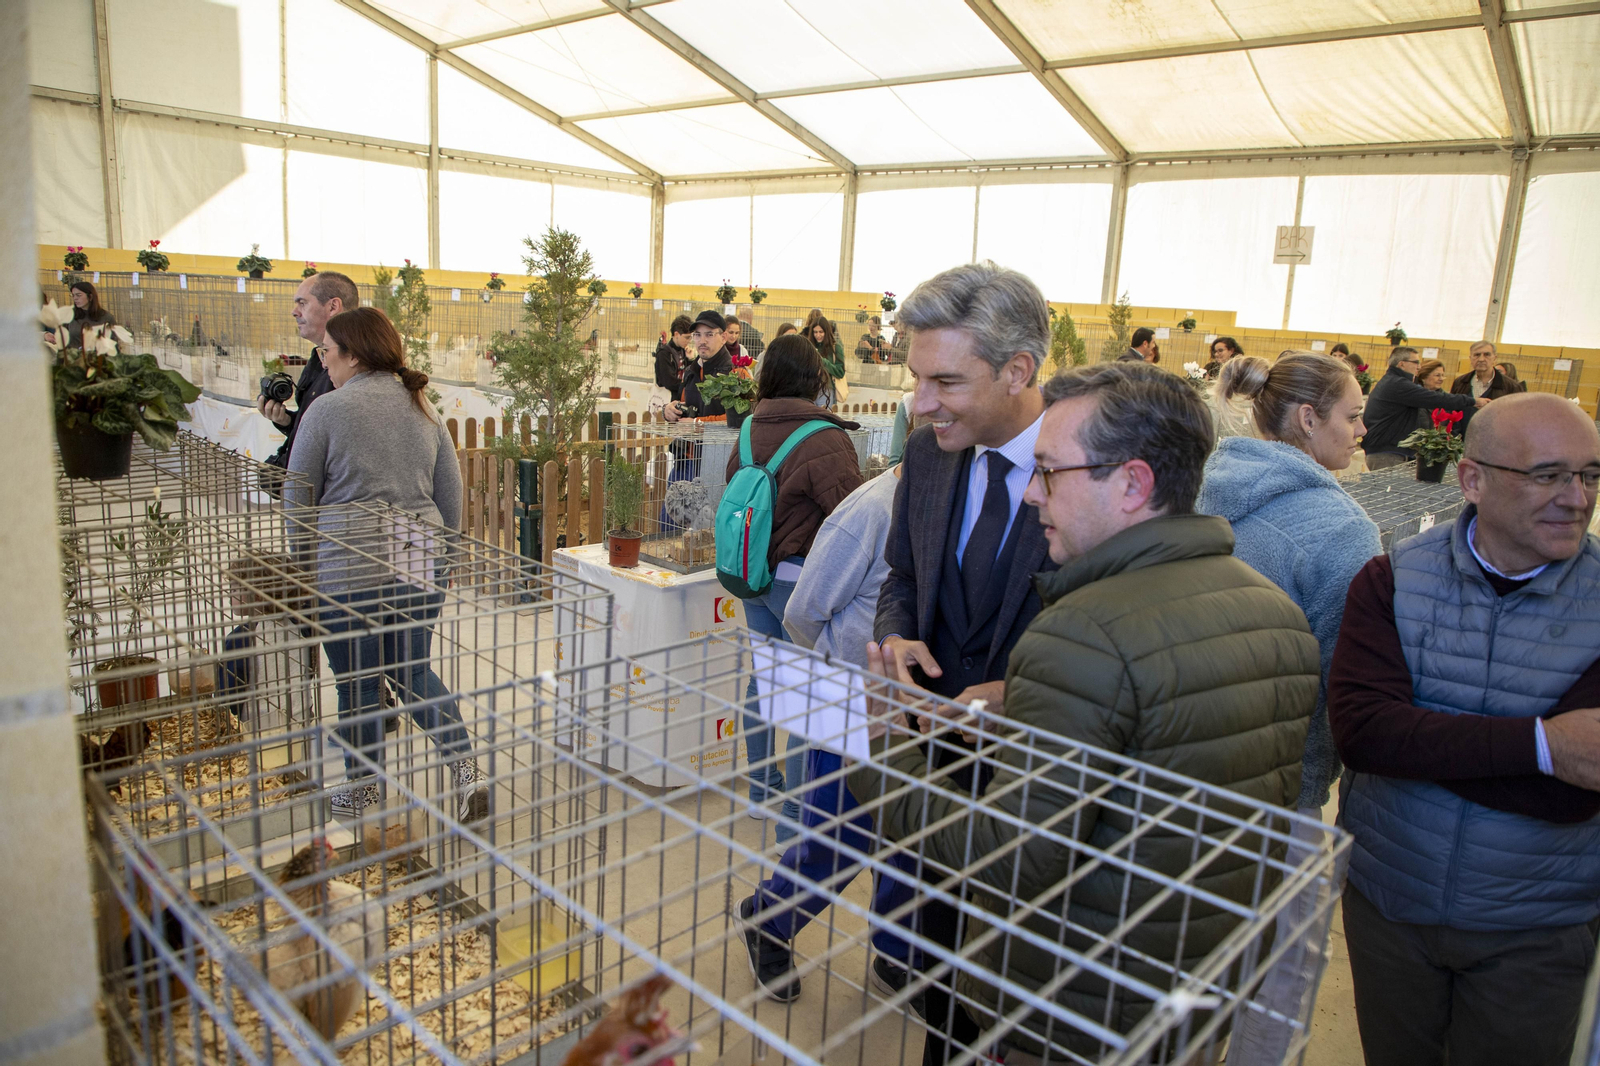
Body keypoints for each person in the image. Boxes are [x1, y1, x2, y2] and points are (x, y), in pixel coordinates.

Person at [851, 361, 1320, 1066]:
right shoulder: (1274, 611)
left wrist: (884, 740)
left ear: (1133, 483)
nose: (1034, 496)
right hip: (1198, 991)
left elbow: (1006, 862)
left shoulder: (1081, 634)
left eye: (1050, 473)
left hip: (1074, 1009)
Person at [1328, 391, 1600, 1066]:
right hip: (1393, 910)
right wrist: (1541, 745)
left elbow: (1575, 792)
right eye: (1549, 475)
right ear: (1471, 479)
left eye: (1591, 475)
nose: (1577, 497)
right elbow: (1365, 736)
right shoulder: (1391, 580)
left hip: (1536, 927)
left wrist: (1420, 745)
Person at [1195, 351, 1381, 1066]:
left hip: (1176, 770)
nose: (1362, 430)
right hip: (1283, 796)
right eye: (1354, 415)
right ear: (1310, 419)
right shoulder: (1340, 530)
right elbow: (1345, 687)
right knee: (1278, 986)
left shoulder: (1200, 483)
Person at [284, 307, 486, 823]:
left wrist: (303, 568)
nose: (324, 364)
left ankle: (363, 789)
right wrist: (450, 554)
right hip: (417, 549)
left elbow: (297, 500)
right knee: (411, 670)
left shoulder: (326, 412)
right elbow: (450, 493)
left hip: (347, 561)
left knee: (357, 681)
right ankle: (467, 771)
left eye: (328, 353)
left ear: (353, 354)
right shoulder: (422, 407)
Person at [736, 463, 921, 1003]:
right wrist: (838, 673)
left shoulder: (940, 509)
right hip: (846, 700)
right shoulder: (869, 510)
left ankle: (896, 950)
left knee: (909, 845)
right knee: (836, 840)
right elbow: (802, 612)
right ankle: (768, 918)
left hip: (915, 707)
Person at [725, 334, 863, 840]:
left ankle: (762, 792)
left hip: (750, 574)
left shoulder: (748, 430)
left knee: (765, 678)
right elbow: (849, 511)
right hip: (799, 581)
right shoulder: (823, 437)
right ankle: (796, 828)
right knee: (810, 696)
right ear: (814, 379)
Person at [259, 271, 358, 473]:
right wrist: (286, 421)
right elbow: (317, 433)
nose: (294, 312)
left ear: (333, 307)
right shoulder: (316, 360)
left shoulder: (352, 368)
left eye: (302, 303)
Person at [1361, 346, 1481, 469]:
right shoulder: (1398, 384)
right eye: (1416, 362)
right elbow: (1436, 399)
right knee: (1390, 488)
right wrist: (1473, 401)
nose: (1419, 366)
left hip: (1389, 451)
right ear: (1402, 364)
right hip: (1387, 453)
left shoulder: (1393, 382)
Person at [664, 310, 734, 422]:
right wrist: (669, 410)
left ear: (723, 337)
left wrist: (699, 425)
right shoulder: (691, 372)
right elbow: (681, 406)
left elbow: (740, 419)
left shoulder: (735, 373)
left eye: (709, 334)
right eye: (697, 335)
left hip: (719, 440)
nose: (702, 341)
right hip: (687, 439)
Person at [1452, 340, 1522, 401]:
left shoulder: (1511, 387)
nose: (1481, 359)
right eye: (1477, 355)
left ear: (1494, 358)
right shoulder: (1460, 383)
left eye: (1487, 354)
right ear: (1470, 358)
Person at [802, 309, 847, 404]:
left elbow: (840, 372)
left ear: (826, 331)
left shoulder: (835, 347)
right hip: (809, 389)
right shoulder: (808, 345)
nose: (818, 335)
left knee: (823, 416)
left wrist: (823, 362)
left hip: (826, 389)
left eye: (821, 332)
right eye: (815, 332)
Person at [63, 279, 115, 349]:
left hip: (98, 357)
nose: (75, 298)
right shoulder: (69, 315)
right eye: (73, 295)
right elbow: (63, 338)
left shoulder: (106, 317)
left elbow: (113, 342)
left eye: (78, 295)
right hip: (74, 357)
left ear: (90, 296)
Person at [653, 314, 693, 393]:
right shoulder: (664, 354)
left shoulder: (683, 350)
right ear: (676, 334)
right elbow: (669, 382)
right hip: (667, 400)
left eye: (691, 337)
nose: (689, 340)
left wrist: (690, 360)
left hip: (679, 397)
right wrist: (690, 385)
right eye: (687, 337)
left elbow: (689, 374)